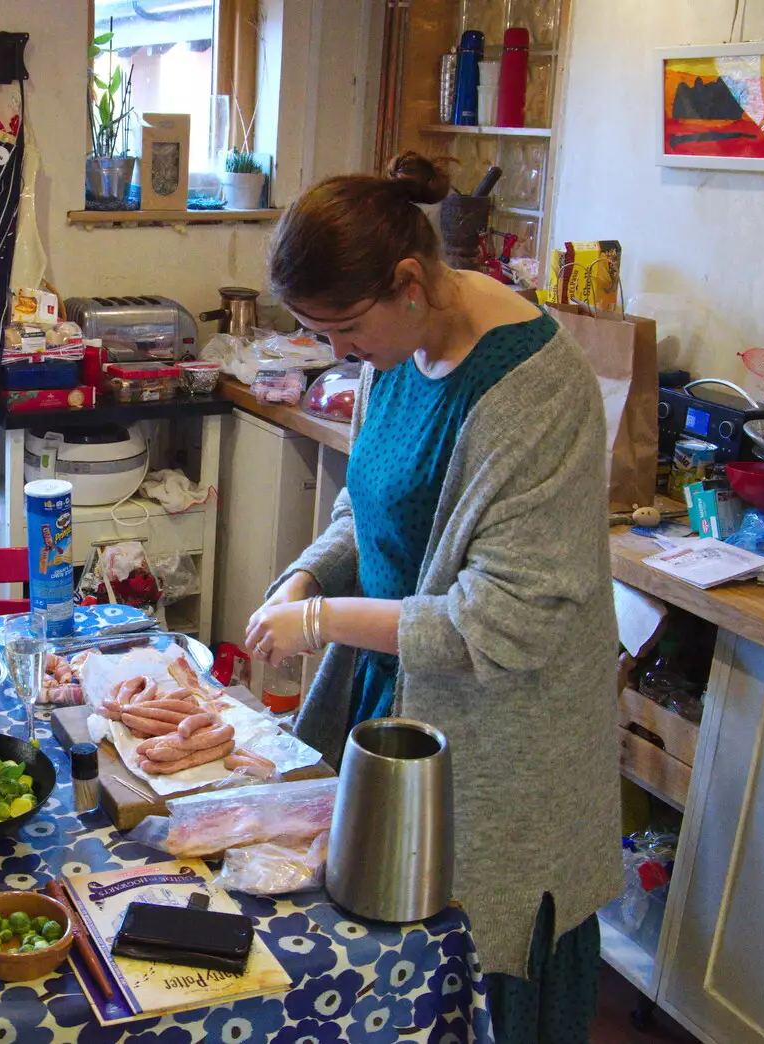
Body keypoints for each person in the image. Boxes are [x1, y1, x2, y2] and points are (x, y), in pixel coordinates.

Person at [244, 153, 621, 1043]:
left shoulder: (535, 391)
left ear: (408, 281)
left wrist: (321, 620)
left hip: (498, 745)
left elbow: (501, 621)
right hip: (388, 694)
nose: (335, 354)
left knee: (467, 958)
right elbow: (366, 504)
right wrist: (307, 576)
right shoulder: (398, 346)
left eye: (340, 329)